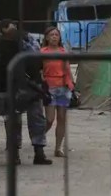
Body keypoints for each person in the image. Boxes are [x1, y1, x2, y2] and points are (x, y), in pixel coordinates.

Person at [0, 20, 52, 165]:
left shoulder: (27, 39)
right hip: (12, 86)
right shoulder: (1, 44)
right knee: (13, 122)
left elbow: (36, 57)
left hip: (32, 85)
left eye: (14, 25)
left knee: (37, 120)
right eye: (9, 25)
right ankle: (14, 154)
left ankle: (39, 153)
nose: (13, 27)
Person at [40, 27, 75, 158]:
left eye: (57, 34)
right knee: (49, 119)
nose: (54, 37)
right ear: (47, 38)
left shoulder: (63, 52)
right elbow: (39, 69)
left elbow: (67, 70)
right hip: (49, 88)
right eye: (51, 35)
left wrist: (72, 86)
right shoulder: (42, 52)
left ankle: (58, 148)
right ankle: (38, 138)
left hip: (63, 88)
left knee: (62, 119)